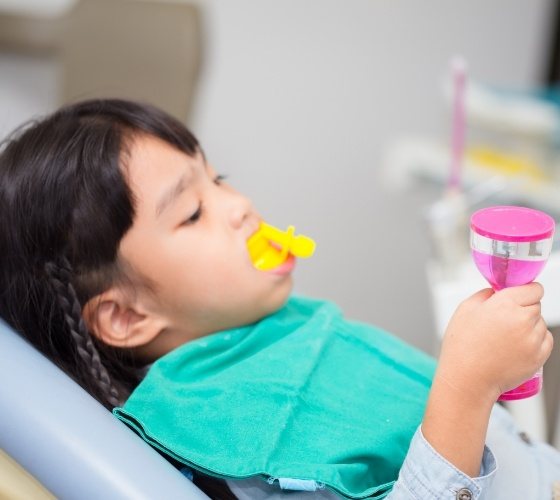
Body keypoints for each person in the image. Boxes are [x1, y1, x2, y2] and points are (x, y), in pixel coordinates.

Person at [0, 98, 557, 500]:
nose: (240, 205)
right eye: (192, 212)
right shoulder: (233, 440)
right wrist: (466, 387)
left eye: (219, 180)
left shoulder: (272, 330)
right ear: (126, 315)